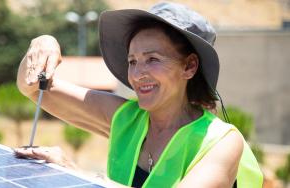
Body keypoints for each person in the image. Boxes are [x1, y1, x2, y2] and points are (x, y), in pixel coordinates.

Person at [14, 2, 263, 188]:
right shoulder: (126, 118)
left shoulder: (221, 143)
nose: (137, 73)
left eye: (152, 59)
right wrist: (41, 44)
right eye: (133, 61)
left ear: (189, 66)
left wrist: (78, 175)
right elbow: (33, 88)